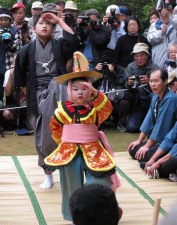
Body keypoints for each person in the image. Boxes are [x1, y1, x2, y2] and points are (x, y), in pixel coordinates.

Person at [44, 52, 120, 221]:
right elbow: (55, 129)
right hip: (69, 150)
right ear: (69, 90)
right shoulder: (61, 110)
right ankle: (73, 216)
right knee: (71, 184)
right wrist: (63, 144)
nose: (80, 93)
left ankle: (103, 215)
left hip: (94, 149)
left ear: (90, 90)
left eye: (84, 89)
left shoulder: (95, 108)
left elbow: (108, 108)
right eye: (75, 89)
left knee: (100, 182)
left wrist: (94, 92)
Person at [14, 11, 81, 189]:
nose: (45, 26)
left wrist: (59, 20)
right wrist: (32, 95)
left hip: (59, 92)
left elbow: (74, 42)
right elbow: (19, 78)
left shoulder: (59, 45)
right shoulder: (26, 50)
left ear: (53, 29)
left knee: (66, 131)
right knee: (41, 135)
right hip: (36, 94)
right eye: (41, 23)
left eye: (49, 24)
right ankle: (48, 173)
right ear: (33, 28)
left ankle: (69, 169)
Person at [128, 69, 177, 165]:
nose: (153, 84)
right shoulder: (154, 96)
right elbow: (148, 120)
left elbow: (161, 125)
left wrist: (147, 145)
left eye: (156, 81)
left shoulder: (171, 99)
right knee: (133, 149)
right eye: (151, 81)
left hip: (169, 141)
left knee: (145, 155)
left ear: (165, 81)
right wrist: (139, 141)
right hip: (159, 140)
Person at [123, 43, 159, 132]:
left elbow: (161, 89)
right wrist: (129, 83)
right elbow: (123, 85)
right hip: (136, 104)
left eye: (142, 55)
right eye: (136, 56)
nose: (139, 59)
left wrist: (150, 82)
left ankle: (151, 120)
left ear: (147, 56)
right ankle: (141, 121)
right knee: (132, 128)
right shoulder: (131, 67)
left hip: (151, 104)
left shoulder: (155, 68)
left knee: (153, 96)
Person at [0, 7, 22, 98]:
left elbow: (18, 49)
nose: (3, 22)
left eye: (6, 20)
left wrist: (9, 40)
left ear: (9, 20)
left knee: (10, 94)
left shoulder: (15, 30)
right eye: (1, 20)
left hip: (10, 67)